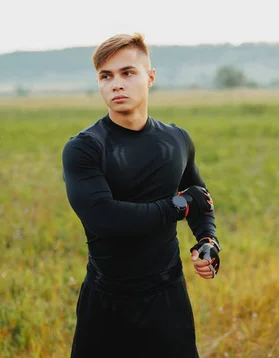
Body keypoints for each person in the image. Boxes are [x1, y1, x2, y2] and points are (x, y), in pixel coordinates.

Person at [61, 32, 222, 357]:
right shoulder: (84, 148)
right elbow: (106, 218)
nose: (116, 84)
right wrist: (179, 206)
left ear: (150, 77)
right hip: (107, 304)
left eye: (127, 73)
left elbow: (199, 199)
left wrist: (208, 241)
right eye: (106, 76)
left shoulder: (177, 139)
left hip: (168, 300)